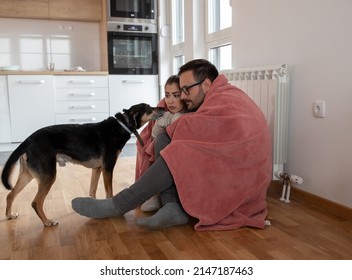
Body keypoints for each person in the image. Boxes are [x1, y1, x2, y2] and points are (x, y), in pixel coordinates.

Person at [72, 59, 272, 231]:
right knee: (164, 139)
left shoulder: (226, 99)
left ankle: (118, 205)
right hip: (229, 154)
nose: (183, 96)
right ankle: (172, 206)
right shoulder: (218, 94)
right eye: (180, 91)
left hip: (239, 167)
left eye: (186, 90)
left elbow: (215, 127)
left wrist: (174, 126)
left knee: (177, 149)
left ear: (206, 84)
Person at [137, 75, 187, 212]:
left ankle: (165, 196)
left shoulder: (187, 115)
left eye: (176, 95)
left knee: (163, 144)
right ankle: (156, 193)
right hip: (161, 151)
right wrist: (159, 125)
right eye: (167, 95)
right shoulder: (164, 113)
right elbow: (153, 136)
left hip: (180, 154)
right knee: (157, 143)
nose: (170, 101)